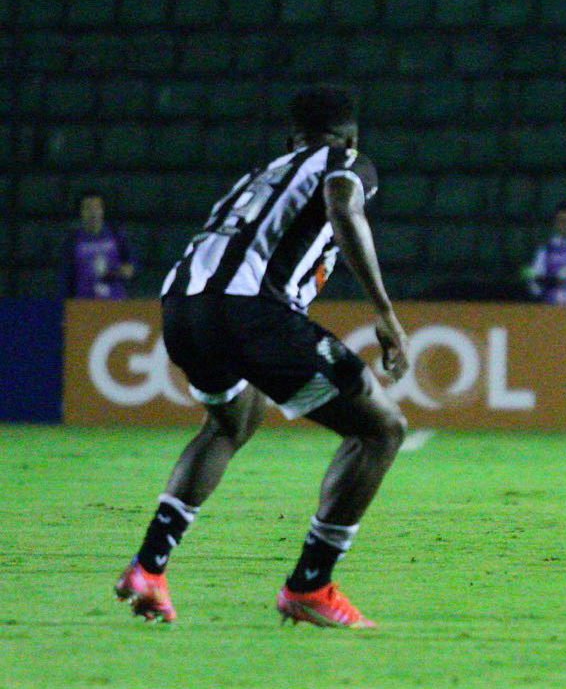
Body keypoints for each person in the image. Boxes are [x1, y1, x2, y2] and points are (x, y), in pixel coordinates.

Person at [113, 86, 410, 628]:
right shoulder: (344, 160)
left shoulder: (259, 174)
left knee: (231, 422)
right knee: (380, 430)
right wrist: (384, 312)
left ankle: (148, 567)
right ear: (349, 135)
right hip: (253, 314)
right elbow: (343, 206)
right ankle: (310, 585)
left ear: (291, 137)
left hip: (183, 308)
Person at [65, 191, 135, 298]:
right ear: (81, 212)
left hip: (115, 300)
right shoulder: (73, 239)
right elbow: (67, 274)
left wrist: (127, 269)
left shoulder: (116, 234)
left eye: (97, 207)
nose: (93, 212)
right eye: (88, 208)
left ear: (103, 210)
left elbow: (130, 262)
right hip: (84, 301)